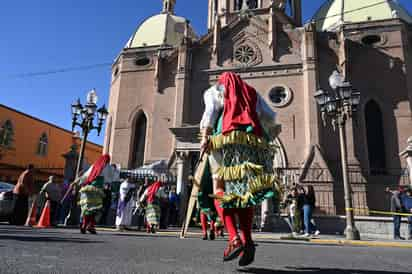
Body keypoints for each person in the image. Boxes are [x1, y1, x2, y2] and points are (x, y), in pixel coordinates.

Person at [199, 72, 280, 266]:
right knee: (245, 192)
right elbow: (270, 116)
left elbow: (210, 112)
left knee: (219, 187)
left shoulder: (214, 91)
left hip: (223, 138)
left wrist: (204, 138)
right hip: (250, 141)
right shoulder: (251, 93)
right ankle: (249, 242)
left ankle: (234, 238)